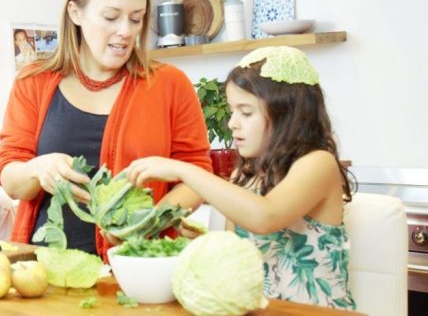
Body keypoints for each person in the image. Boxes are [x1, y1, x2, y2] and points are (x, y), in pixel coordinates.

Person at [0, 0, 212, 257]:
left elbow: (198, 175)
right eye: (111, 17)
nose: (125, 31)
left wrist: (148, 223)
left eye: (136, 18)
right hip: (44, 271)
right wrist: (37, 169)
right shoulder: (32, 82)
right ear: (76, 13)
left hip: (136, 267)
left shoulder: (170, 85)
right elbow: (10, 179)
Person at [126, 46, 357, 310]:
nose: (233, 123)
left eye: (246, 112)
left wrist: (183, 170)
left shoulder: (318, 163)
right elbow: (238, 254)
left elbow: (265, 217)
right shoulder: (246, 174)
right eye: (233, 111)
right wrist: (200, 241)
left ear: (287, 114)